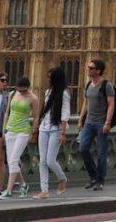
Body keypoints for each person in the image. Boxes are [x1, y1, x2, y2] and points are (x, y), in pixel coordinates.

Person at [77, 58, 116, 191]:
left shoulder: (106, 85)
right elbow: (86, 103)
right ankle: (93, 176)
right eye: (88, 67)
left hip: (101, 123)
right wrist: (81, 119)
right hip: (89, 122)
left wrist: (107, 122)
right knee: (82, 148)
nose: (88, 69)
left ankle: (100, 180)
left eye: (91, 68)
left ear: (98, 70)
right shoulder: (88, 85)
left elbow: (111, 104)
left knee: (101, 153)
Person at [34, 67, 71, 199]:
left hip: (56, 128)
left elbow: (65, 112)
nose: (48, 79)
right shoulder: (48, 92)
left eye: (51, 77)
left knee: (50, 160)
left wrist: (64, 133)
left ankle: (62, 178)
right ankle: (44, 190)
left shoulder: (64, 93)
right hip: (44, 127)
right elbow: (45, 110)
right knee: (42, 161)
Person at [4, 76, 40, 196]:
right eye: (19, 90)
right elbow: (7, 112)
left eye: (23, 90)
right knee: (11, 161)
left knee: (14, 160)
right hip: (10, 130)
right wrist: (4, 129)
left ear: (28, 88)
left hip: (23, 131)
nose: (21, 92)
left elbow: (36, 118)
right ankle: (23, 185)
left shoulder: (33, 98)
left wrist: (33, 132)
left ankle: (8, 191)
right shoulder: (12, 94)